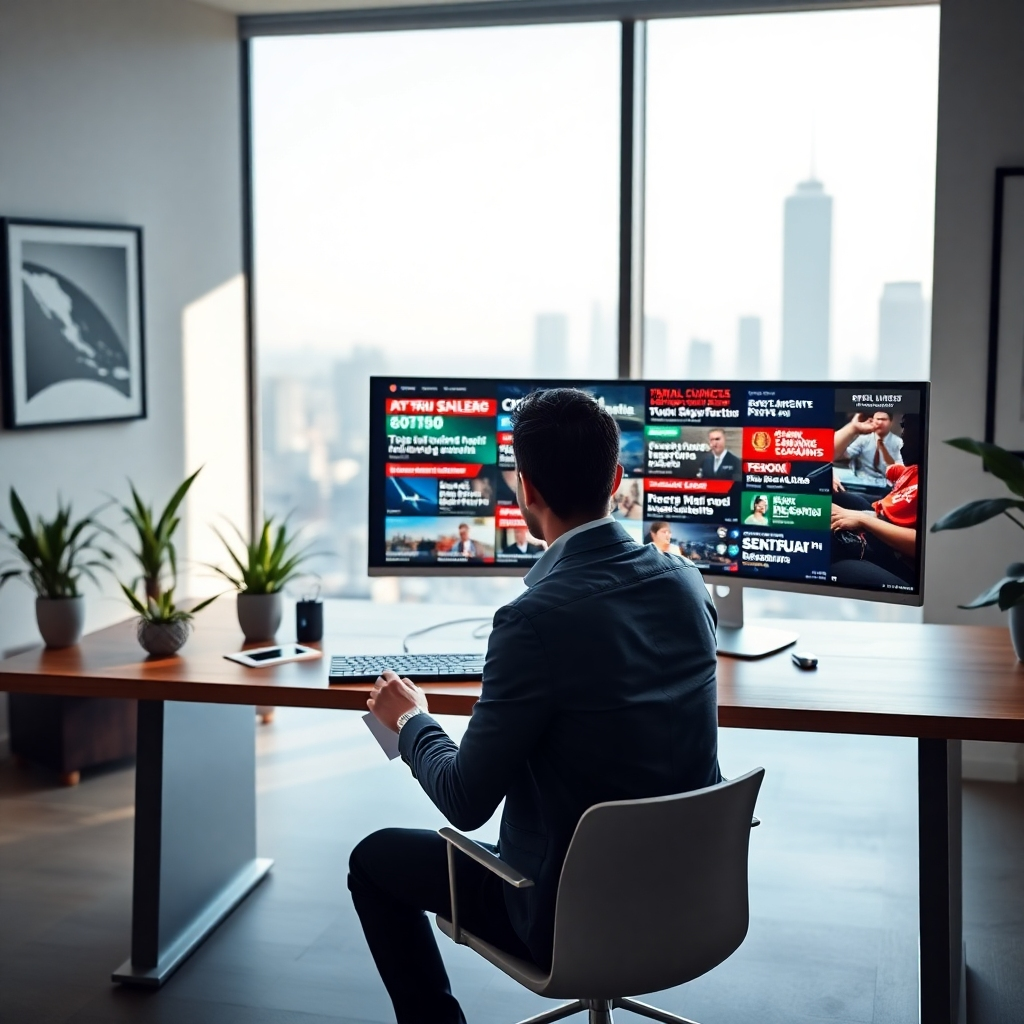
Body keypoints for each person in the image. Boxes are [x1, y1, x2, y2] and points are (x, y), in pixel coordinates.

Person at [348, 388, 721, 1024]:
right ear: (617, 480)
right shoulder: (687, 582)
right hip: (690, 898)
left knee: (373, 861)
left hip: (560, 918)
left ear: (525, 492)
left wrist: (411, 719)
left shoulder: (531, 621)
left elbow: (465, 802)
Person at [830, 413, 920, 588]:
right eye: (903, 425)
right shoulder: (913, 470)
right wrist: (853, 429)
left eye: (907, 426)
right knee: (833, 496)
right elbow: (831, 453)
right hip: (879, 514)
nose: (904, 433)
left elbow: (922, 545)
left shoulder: (897, 446)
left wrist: (862, 519)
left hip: (896, 551)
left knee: (830, 554)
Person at [834, 410, 903, 488]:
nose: (879, 423)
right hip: (862, 481)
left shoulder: (898, 443)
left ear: (891, 422)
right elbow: (845, 455)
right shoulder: (864, 439)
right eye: (877, 419)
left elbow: (900, 469)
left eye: (883, 420)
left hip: (886, 484)